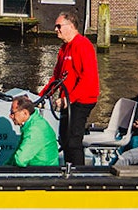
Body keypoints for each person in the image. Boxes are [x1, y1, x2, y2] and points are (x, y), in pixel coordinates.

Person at [38, 10, 100, 166]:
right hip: (68, 100)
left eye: (59, 26)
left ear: (71, 26)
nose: (56, 29)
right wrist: (42, 96)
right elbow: (57, 77)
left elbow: (88, 77)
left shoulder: (83, 45)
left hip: (82, 100)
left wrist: (68, 99)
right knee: (64, 138)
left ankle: (78, 173)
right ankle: (67, 169)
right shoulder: (64, 48)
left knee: (73, 140)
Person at [8, 97, 59, 167]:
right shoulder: (31, 125)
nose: (10, 116)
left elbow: (20, 160)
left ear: (25, 113)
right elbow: (14, 158)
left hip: (43, 172)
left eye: (13, 113)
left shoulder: (35, 130)